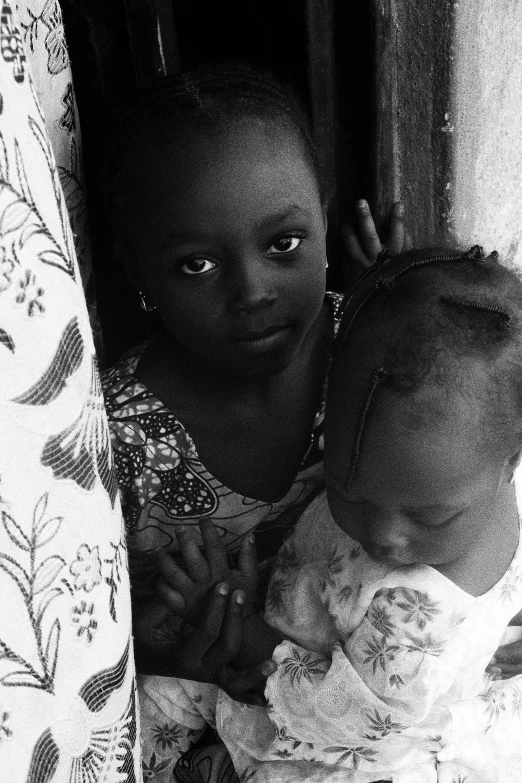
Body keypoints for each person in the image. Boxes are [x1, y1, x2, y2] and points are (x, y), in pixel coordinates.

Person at [100, 62, 406, 778]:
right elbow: (99, 638)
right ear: (138, 271)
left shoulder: (372, 359)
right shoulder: (114, 435)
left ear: (323, 219)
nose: (253, 292)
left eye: (283, 244)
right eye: (197, 264)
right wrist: (176, 651)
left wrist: (399, 326)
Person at [157, 245, 522, 782]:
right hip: (308, 633)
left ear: (509, 463)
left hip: (352, 735)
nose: (386, 538)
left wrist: (243, 627)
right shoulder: (467, 468)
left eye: (429, 518)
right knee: (156, 691)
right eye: (352, 494)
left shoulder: (417, 621)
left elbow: (349, 716)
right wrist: (382, 292)